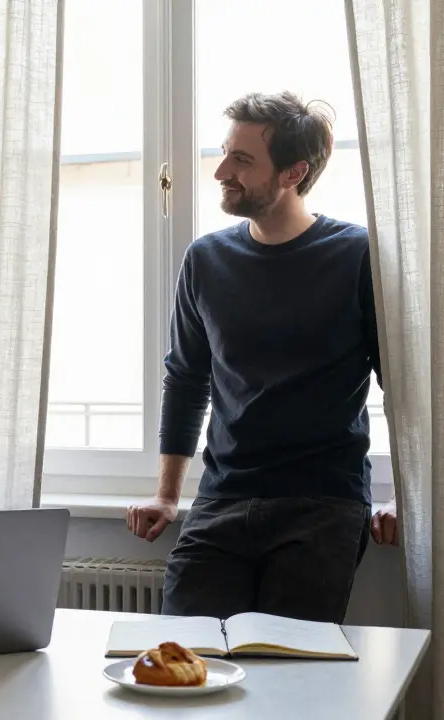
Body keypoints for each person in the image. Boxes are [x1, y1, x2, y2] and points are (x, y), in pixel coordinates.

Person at [126, 91, 398, 624]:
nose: (221, 171)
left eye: (242, 160)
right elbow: (185, 379)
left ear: (293, 173)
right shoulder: (206, 259)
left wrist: (412, 498)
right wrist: (166, 496)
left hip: (322, 506)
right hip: (221, 501)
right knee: (184, 664)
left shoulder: (356, 255)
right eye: (225, 153)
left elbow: (403, 386)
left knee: (290, 687)